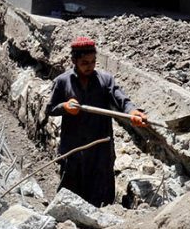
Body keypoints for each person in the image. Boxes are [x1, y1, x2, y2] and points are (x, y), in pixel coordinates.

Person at [46, 37, 148, 207]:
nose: (90, 66)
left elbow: (120, 98)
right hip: (74, 146)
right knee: (71, 190)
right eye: (85, 62)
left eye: (93, 62)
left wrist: (133, 112)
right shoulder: (63, 82)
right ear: (74, 61)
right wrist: (65, 107)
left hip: (100, 146)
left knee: (100, 193)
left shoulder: (105, 80)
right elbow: (50, 109)